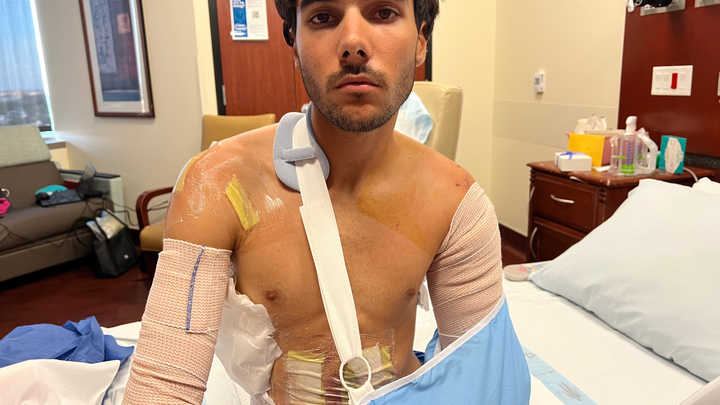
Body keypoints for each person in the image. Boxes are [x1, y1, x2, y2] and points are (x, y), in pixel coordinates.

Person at [123, 0, 529, 404]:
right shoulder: (219, 184)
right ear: (295, 46)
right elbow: (164, 385)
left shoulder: (455, 201)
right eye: (323, 17)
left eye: (383, 13)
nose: (353, 42)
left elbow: (482, 379)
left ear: (421, 40)